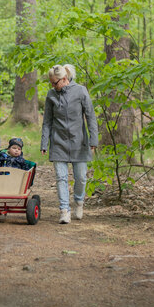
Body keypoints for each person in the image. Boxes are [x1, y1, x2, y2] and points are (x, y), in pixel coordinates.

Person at [40, 64, 98, 224]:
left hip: (79, 142)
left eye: (54, 83)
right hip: (58, 142)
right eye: (51, 83)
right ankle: (64, 210)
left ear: (64, 79)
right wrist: (44, 142)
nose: (52, 86)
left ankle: (79, 202)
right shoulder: (51, 95)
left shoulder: (80, 91)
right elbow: (47, 122)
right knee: (61, 178)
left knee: (81, 178)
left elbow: (91, 116)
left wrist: (93, 139)